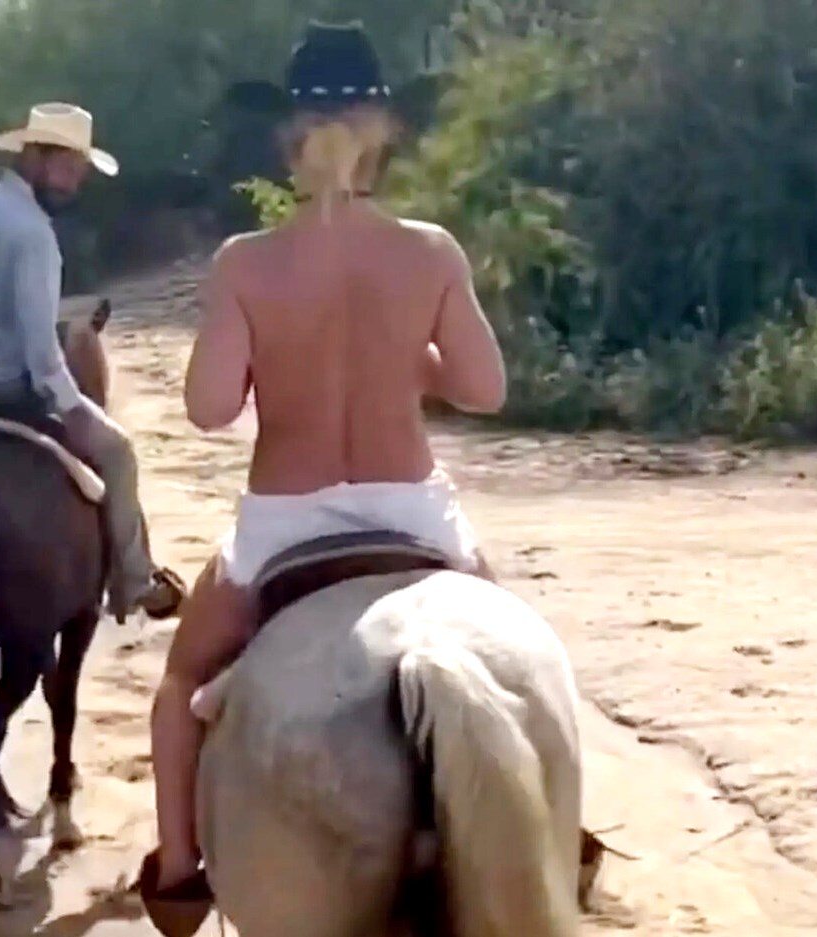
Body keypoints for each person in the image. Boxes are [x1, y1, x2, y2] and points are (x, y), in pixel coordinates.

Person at [138, 21, 507, 933]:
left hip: (285, 523)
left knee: (182, 685)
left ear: (288, 136)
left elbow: (209, 408)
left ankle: (179, 872)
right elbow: (484, 390)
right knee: (513, 657)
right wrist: (404, 356)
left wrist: (275, 352)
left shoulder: (245, 262)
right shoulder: (430, 250)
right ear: (385, 128)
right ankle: (555, 831)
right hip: (413, 513)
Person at [0, 101, 183, 623]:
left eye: (78, 170)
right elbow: (41, 355)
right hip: (10, 391)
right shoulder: (35, 235)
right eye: (67, 167)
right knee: (119, 454)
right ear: (35, 156)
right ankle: (135, 580)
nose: (74, 182)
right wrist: (72, 406)